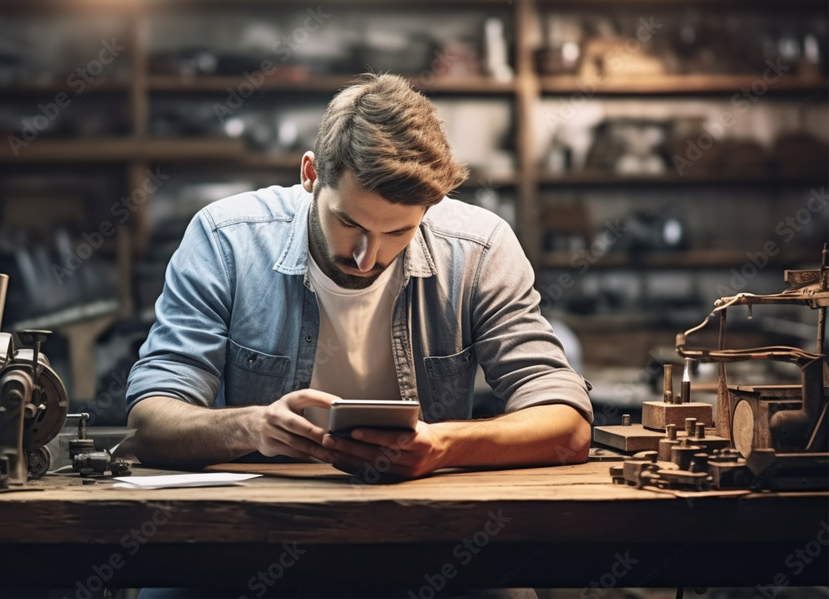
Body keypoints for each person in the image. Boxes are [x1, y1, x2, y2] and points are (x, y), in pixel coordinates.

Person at [126, 73, 592, 480]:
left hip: (430, 525)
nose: (368, 259)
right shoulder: (225, 240)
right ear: (311, 174)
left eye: (398, 232)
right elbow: (149, 423)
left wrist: (444, 446)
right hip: (250, 529)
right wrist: (252, 427)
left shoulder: (480, 248)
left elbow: (567, 427)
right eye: (350, 223)